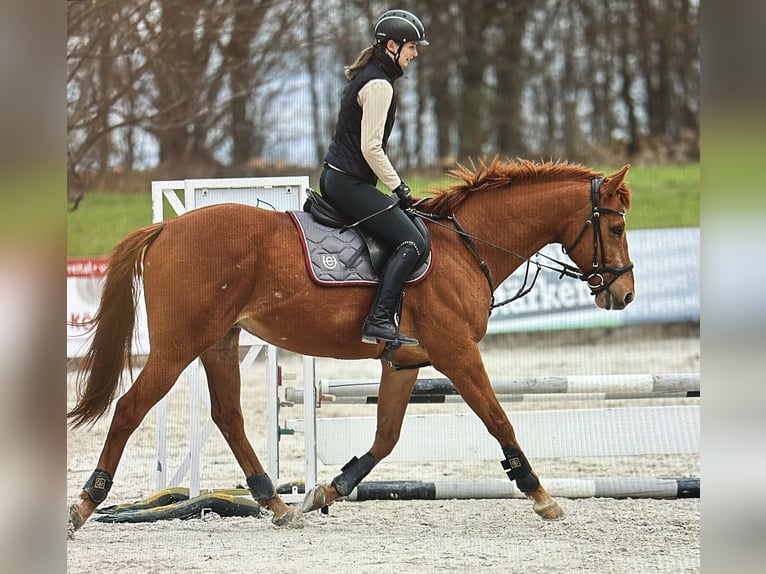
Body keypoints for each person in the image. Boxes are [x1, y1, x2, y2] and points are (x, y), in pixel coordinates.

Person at [319, 9, 429, 347]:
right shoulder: (379, 85)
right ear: (392, 46)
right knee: (413, 242)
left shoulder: (369, 75)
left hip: (341, 179)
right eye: (411, 47)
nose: (414, 55)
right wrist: (400, 188)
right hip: (348, 183)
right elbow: (371, 148)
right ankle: (379, 319)